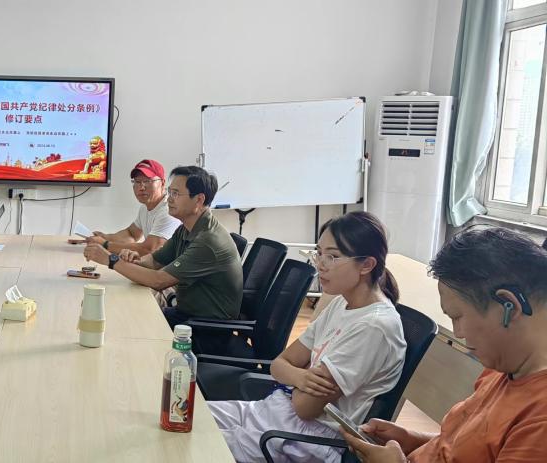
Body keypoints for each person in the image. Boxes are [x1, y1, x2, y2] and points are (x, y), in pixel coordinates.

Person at [207, 211, 406, 463]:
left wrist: (293, 375)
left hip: (303, 439)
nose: (320, 264)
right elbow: (279, 364)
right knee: (185, 418)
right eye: (319, 253)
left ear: (366, 265)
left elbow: (305, 408)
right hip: (274, 412)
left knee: (187, 445)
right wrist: (301, 376)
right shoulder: (342, 303)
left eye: (332, 256)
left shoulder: (374, 327)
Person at [342, 227, 547, 463]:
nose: (458, 333)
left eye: (457, 316)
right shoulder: (505, 363)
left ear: (509, 307)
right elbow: (466, 445)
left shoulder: (539, 420)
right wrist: (412, 439)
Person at [84, 165, 242, 328]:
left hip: (206, 327)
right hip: (185, 314)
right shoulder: (185, 228)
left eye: (176, 194)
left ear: (199, 200)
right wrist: (135, 260)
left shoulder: (208, 241)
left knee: (126, 320)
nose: (169, 199)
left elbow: (158, 281)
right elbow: (154, 262)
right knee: (123, 312)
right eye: (170, 192)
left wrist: (111, 260)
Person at [82, 159, 180, 255]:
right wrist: (104, 237)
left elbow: (150, 249)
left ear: (162, 183)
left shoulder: (169, 210)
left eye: (147, 181)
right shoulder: (145, 208)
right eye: (137, 181)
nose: (141, 187)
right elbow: (131, 234)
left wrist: (105, 244)